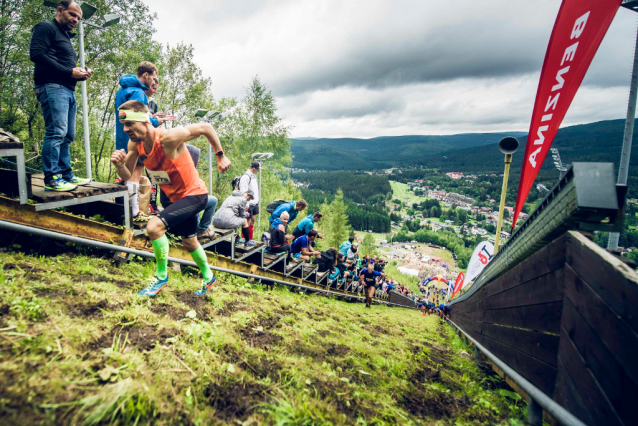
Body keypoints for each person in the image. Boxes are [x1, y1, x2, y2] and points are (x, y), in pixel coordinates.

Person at [110, 100, 231, 297]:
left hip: (195, 195)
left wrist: (220, 156)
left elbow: (206, 127)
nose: (125, 129)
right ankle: (209, 278)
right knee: (189, 241)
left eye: (129, 124)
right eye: (123, 125)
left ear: (144, 121)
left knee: (153, 227)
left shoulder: (169, 138)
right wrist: (119, 165)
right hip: (175, 198)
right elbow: (127, 176)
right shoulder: (136, 144)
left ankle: (160, 277)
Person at [30, 0, 94, 191]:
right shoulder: (45, 27)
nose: (76, 20)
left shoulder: (65, 36)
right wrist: (69, 72)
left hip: (67, 89)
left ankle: (66, 174)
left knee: (68, 135)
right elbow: (37, 54)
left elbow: (65, 68)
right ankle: (52, 178)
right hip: (51, 87)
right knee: (56, 132)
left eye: (79, 18)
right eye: (72, 15)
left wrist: (80, 75)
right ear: (60, 10)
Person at [115, 61, 175, 220]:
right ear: (146, 75)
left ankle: (128, 211)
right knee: (134, 177)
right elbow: (139, 120)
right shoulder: (139, 93)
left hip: (123, 136)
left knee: (126, 176)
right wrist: (157, 122)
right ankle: (134, 213)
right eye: (153, 78)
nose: (153, 82)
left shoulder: (124, 89)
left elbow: (129, 116)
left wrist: (151, 117)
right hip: (136, 138)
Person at [158, 144, 218, 240]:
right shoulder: (185, 172)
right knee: (212, 200)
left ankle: (197, 227)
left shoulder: (169, 167)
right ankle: (202, 230)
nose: (198, 161)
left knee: (197, 199)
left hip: (169, 204)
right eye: (197, 158)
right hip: (182, 205)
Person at [238, 162, 260, 246]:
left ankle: (250, 238)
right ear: (254, 168)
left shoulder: (253, 176)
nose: (258, 171)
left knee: (252, 221)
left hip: (255, 202)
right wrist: (246, 204)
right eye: (257, 169)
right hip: (249, 203)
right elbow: (243, 191)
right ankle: (245, 239)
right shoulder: (245, 177)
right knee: (247, 222)